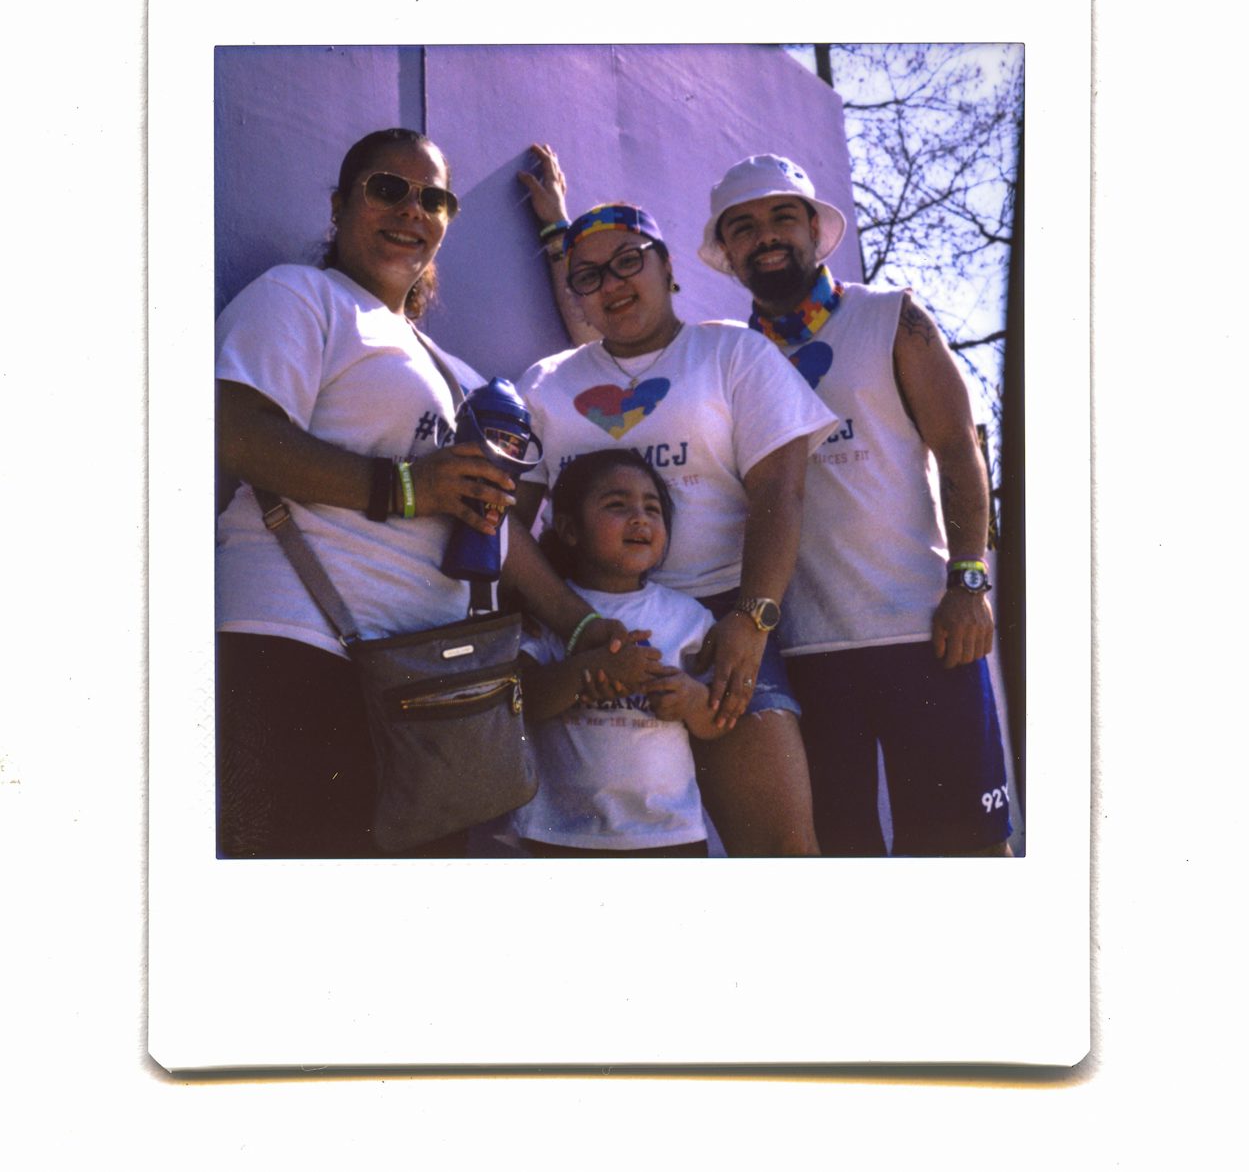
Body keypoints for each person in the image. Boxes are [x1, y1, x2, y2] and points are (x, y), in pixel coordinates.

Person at [215, 128, 653, 858]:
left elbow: (497, 527)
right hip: (299, 646)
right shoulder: (300, 296)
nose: (411, 210)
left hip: (428, 689)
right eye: (388, 189)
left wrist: (578, 624)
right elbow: (237, 432)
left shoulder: (457, 373)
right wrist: (405, 487)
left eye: (434, 199)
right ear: (339, 206)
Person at [514, 149, 839, 856]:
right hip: (592, 633)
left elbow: (781, 492)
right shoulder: (547, 383)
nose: (612, 284)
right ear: (575, 294)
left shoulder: (734, 354)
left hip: (724, 627)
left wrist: (752, 619)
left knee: (784, 854)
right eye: (589, 276)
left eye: (629, 261)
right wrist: (571, 625)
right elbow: (504, 523)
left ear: (669, 269)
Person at [698, 153, 1012, 856]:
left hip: (926, 633)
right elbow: (621, 339)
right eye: (743, 227)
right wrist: (560, 234)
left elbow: (960, 450)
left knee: (967, 851)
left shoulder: (890, 315)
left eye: (783, 217)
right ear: (727, 253)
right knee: (842, 862)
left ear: (816, 229)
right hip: (803, 652)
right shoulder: (728, 358)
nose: (765, 235)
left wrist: (970, 581)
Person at [514, 451, 729, 857]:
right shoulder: (549, 613)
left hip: (669, 833)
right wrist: (586, 673)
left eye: (652, 508)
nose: (640, 518)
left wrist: (690, 699)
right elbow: (523, 702)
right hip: (561, 832)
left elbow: (717, 720)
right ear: (569, 529)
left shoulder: (688, 617)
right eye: (617, 505)